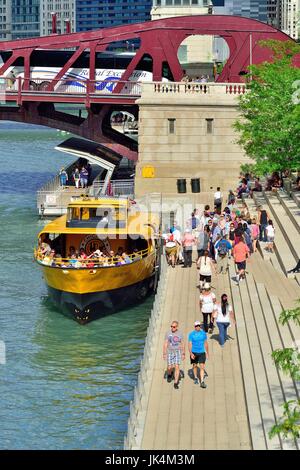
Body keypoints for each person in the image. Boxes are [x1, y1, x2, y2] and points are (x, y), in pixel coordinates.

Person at [163, 321, 185, 389]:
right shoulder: (168, 333)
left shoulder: (180, 333)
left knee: (177, 367)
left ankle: (176, 383)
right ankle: (169, 374)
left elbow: (182, 343)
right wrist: (164, 353)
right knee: (169, 367)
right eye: (171, 326)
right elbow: (166, 343)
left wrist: (183, 353)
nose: (172, 328)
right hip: (170, 351)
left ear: (177, 327)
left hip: (177, 351)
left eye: (174, 327)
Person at [188, 321, 209, 388]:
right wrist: (191, 353)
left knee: (202, 367)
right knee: (194, 366)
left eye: (199, 326)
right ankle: (196, 377)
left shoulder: (203, 334)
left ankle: (202, 381)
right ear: (194, 327)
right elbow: (189, 344)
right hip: (194, 352)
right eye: (196, 326)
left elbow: (205, 343)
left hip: (202, 352)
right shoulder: (191, 334)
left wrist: (207, 353)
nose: (198, 327)